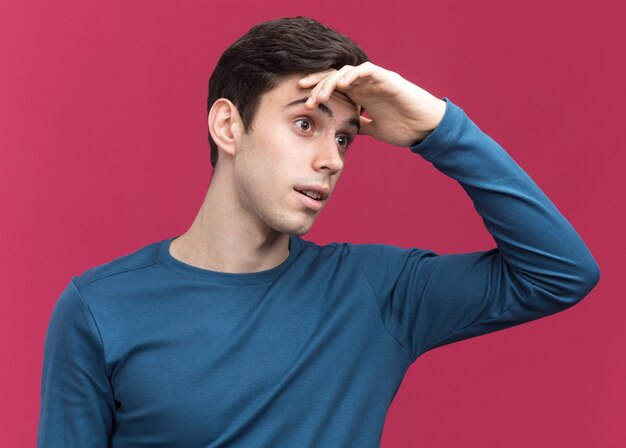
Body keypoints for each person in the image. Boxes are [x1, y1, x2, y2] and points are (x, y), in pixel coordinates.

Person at [37, 16, 600, 447]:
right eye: (305, 124)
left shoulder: (378, 292)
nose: (333, 159)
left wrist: (439, 129)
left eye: (344, 138)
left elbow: (560, 272)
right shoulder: (98, 309)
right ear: (229, 125)